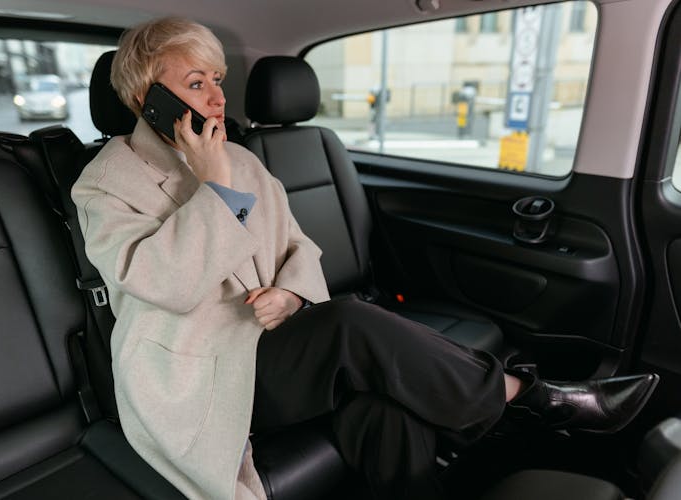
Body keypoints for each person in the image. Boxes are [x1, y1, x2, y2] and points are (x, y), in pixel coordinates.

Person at [71, 16, 659, 500]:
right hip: (194, 368)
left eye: (220, 80)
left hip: (273, 347)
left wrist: (295, 293)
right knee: (350, 321)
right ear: (145, 95)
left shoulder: (242, 161)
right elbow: (161, 282)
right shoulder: (106, 184)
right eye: (198, 82)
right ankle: (527, 399)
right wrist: (215, 188)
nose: (220, 98)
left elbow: (299, 246)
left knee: (386, 419)